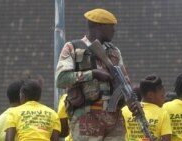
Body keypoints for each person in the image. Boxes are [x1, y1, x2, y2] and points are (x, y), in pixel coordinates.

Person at [56, 8, 131, 141]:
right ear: (99, 25)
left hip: (114, 121)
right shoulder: (73, 47)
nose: (114, 30)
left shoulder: (114, 52)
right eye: (111, 26)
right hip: (86, 118)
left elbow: (125, 82)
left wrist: (131, 97)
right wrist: (93, 74)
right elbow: (61, 79)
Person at [122, 74, 172, 141]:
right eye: (162, 95)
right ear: (150, 95)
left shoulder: (125, 110)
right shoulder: (163, 113)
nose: (164, 98)